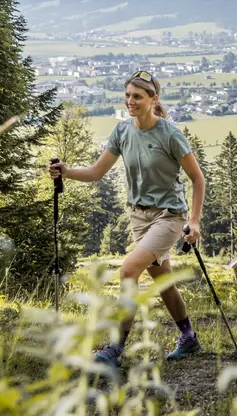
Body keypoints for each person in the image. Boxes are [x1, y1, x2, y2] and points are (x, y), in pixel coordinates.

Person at [48, 70, 205, 367]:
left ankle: (115, 349)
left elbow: (197, 179)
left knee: (129, 270)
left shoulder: (170, 134)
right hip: (138, 216)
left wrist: (194, 221)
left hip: (169, 216)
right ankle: (188, 337)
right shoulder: (122, 131)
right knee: (162, 280)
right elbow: (96, 172)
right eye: (127, 96)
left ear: (153, 100)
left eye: (137, 97)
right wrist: (66, 172)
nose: (130, 101)